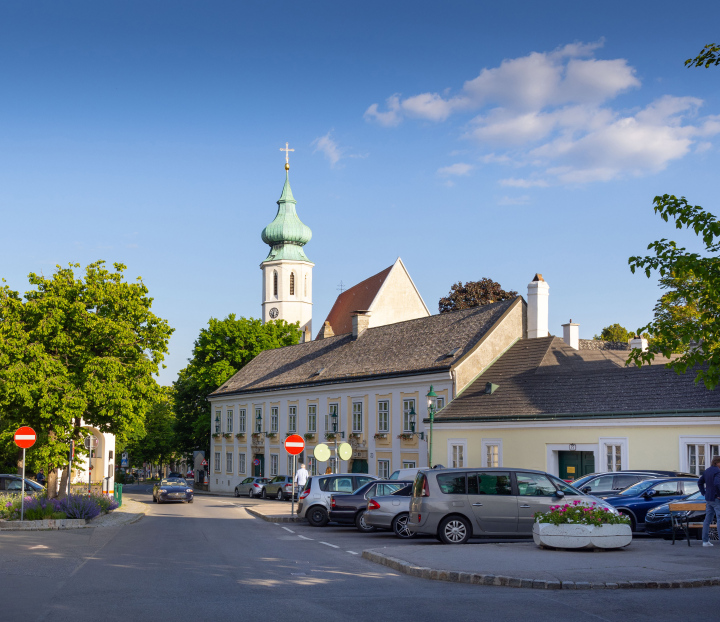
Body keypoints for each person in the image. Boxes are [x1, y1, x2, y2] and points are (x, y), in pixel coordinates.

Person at [697, 455, 720, 547]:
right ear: (717, 463)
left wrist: (703, 492)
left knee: (708, 519)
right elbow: (717, 484)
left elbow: (700, 482)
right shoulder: (718, 471)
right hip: (716, 498)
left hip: (709, 498)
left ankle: (705, 541)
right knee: (719, 518)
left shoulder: (707, 471)